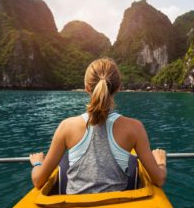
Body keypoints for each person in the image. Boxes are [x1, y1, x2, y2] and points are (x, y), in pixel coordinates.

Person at [29, 58, 167, 193]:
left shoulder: (66, 127)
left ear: (87, 88)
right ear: (118, 87)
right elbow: (159, 179)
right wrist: (160, 162)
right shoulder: (134, 128)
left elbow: (38, 180)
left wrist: (38, 163)